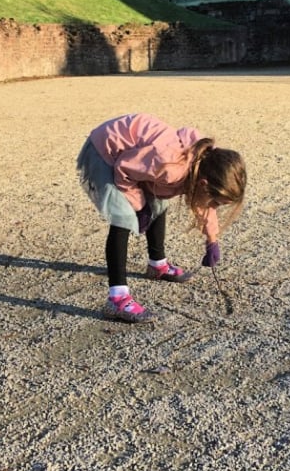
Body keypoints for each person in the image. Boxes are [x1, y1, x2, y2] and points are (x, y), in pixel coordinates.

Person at [77, 113, 246, 323]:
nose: (214, 207)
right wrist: (139, 207)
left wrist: (212, 239)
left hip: (139, 157)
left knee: (159, 202)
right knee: (123, 216)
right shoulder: (170, 167)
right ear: (203, 184)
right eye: (217, 203)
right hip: (105, 151)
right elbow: (124, 170)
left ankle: (157, 265)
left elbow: (205, 202)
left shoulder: (206, 164)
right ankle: (117, 299)